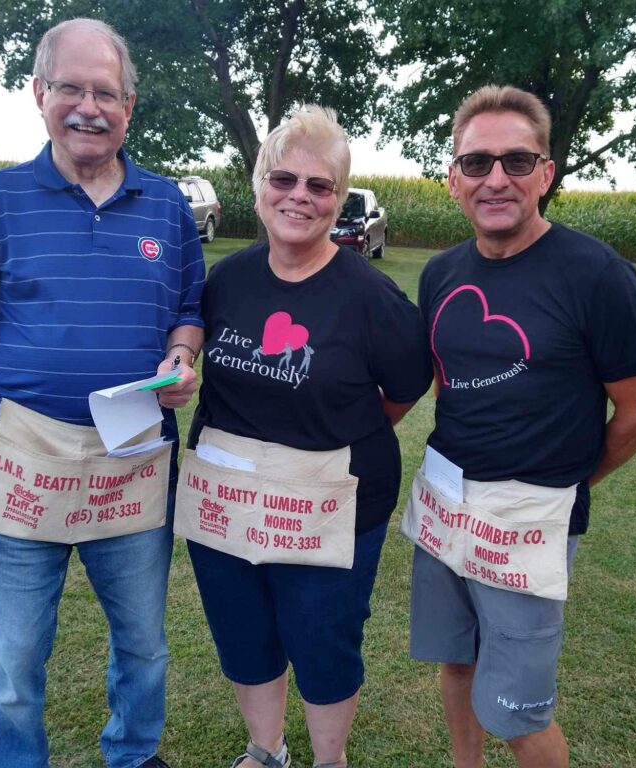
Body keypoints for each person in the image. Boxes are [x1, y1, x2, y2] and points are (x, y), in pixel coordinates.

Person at [0, 18, 205, 768]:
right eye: (72, 89)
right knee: (16, 661)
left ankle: (133, 755)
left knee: (143, 644)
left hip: (133, 462)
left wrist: (181, 356)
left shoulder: (168, 206)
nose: (89, 106)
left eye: (106, 92)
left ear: (129, 106)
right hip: (23, 461)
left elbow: (188, 310)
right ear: (40, 93)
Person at [405, 85, 636, 768]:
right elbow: (448, 381)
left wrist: (565, 482)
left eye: (517, 162)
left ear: (546, 174)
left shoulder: (598, 276)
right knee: (456, 663)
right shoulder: (440, 274)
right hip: (445, 506)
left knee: (520, 711)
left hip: (531, 523)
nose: (496, 178)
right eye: (477, 163)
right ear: (453, 179)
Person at [175, 106, 432, 768]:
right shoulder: (226, 279)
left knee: (323, 636)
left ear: (339, 200)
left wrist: (330, 437)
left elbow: (403, 389)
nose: (299, 197)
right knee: (243, 629)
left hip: (328, 506)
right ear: (258, 183)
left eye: (319, 186)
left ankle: (328, 760)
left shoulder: (372, 298)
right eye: (283, 179)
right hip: (225, 495)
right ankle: (266, 749)